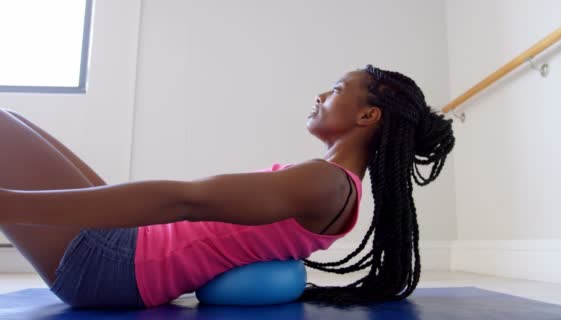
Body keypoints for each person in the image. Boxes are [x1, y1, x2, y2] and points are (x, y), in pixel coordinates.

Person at [0, 64, 455, 309]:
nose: (321, 95)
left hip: (109, 268)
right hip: (124, 256)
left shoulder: (325, 183)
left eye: (337, 88)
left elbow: (187, 200)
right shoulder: (329, 183)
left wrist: (8, 206)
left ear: (367, 116)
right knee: (13, 121)